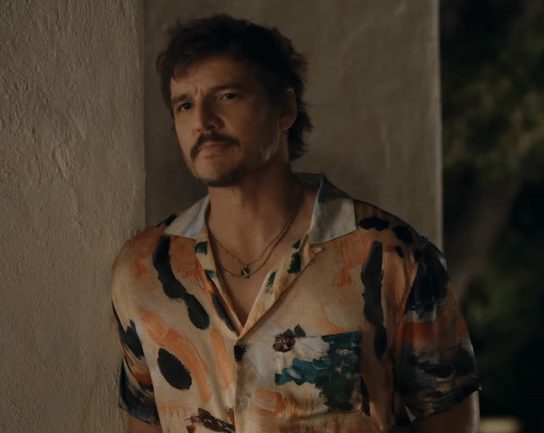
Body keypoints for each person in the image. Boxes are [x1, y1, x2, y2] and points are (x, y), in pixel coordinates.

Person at [111, 14, 480, 433]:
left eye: (228, 96)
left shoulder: (390, 254)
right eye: (184, 105)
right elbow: (144, 417)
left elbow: (450, 414)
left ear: (285, 109)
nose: (203, 121)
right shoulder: (143, 270)